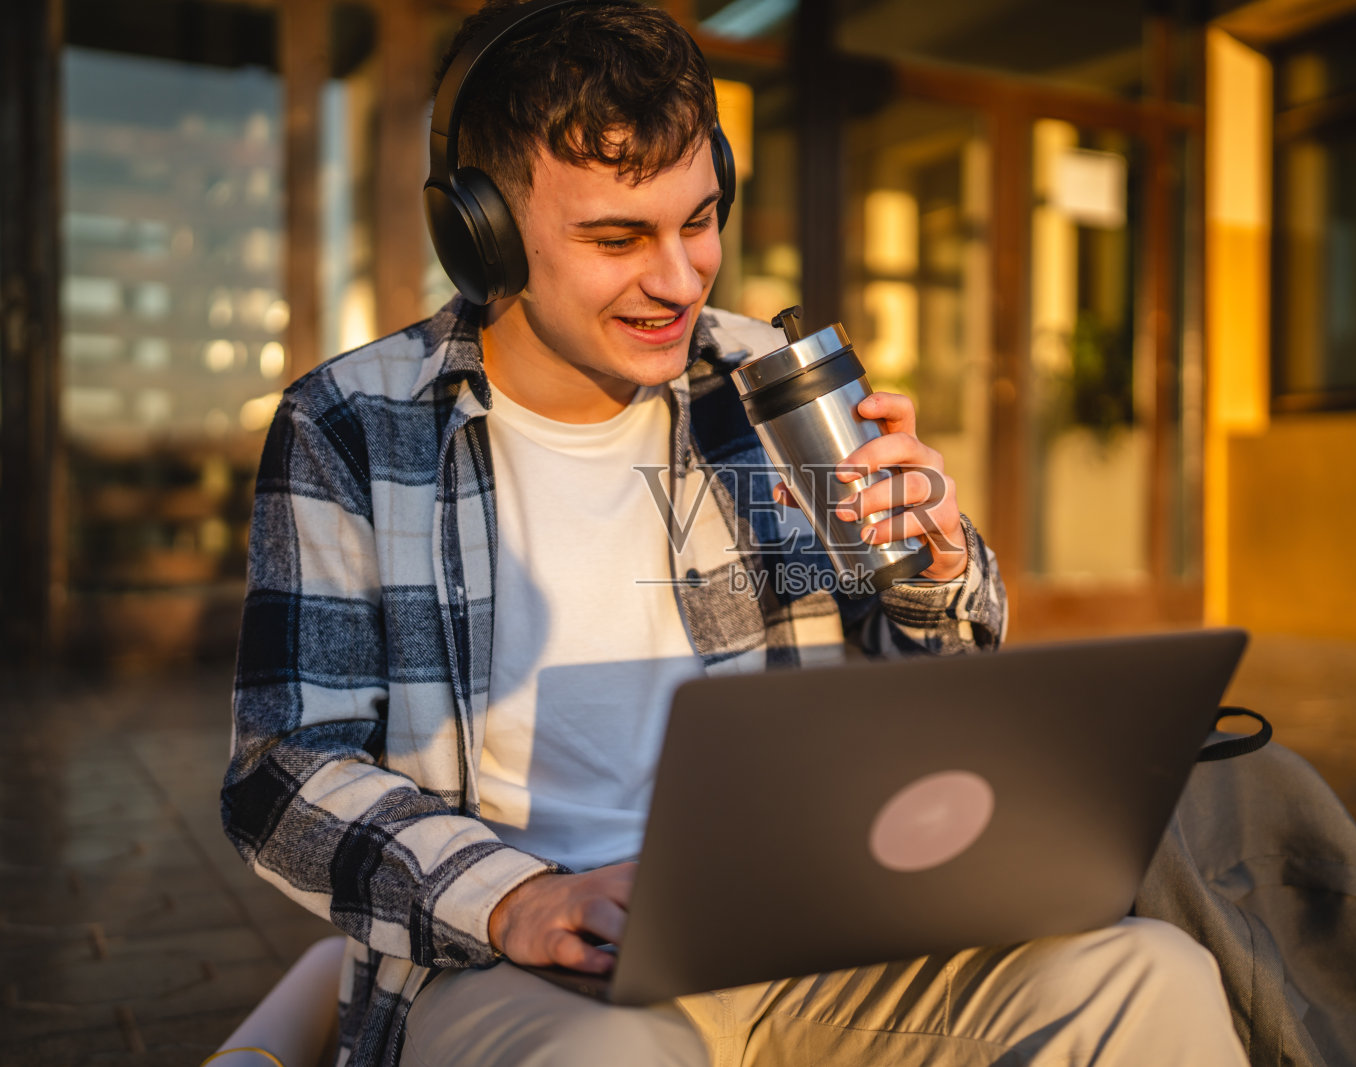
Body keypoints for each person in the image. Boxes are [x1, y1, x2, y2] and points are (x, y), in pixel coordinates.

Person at [221, 2, 1249, 1065]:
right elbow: (284, 769)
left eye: (699, 219)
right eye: (616, 237)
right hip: (521, 965)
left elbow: (913, 681)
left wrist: (930, 568)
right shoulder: (348, 422)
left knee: (1146, 975)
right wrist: (513, 896)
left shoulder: (768, 386)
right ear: (478, 232)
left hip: (809, 931)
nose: (678, 279)